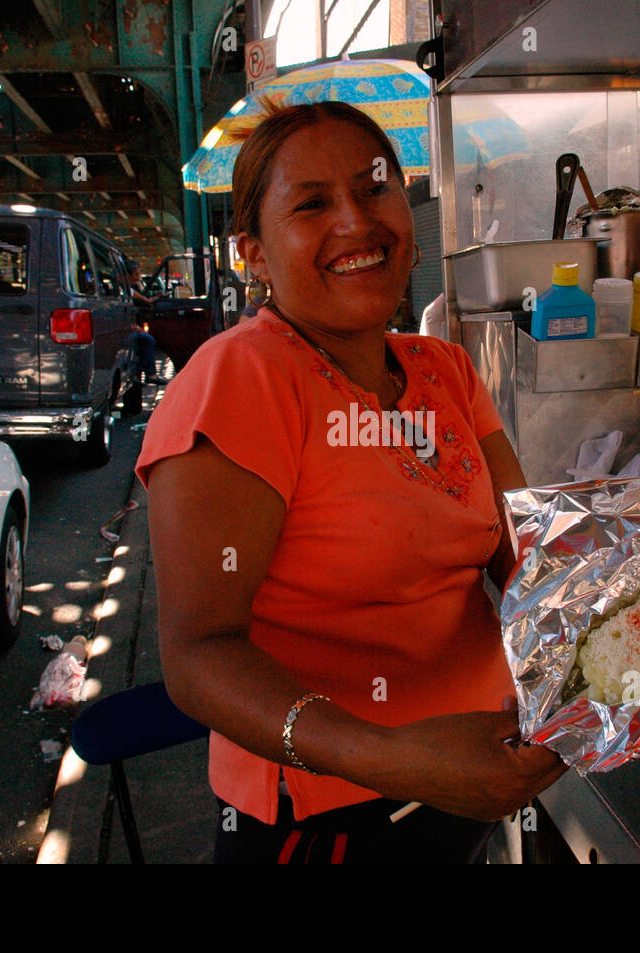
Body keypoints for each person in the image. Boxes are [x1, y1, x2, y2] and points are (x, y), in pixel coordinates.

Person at [135, 101, 564, 864]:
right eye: (310, 205)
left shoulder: (444, 369)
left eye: (373, 189)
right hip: (332, 817)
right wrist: (393, 755)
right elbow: (200, 654)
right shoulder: (242, 378)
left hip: (478, 769)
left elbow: (528, 556)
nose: (355, 222)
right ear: (254, 254)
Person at [124, 260, 166, 385]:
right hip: (123, 330)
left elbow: (132, 294)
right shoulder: (120, 288)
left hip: (128, 327)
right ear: (127, 275)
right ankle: (146, 374)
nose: (138, 277)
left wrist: (147, 300)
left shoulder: (127, 288)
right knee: (147, 340)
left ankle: (142, 374)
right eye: (136, 274)